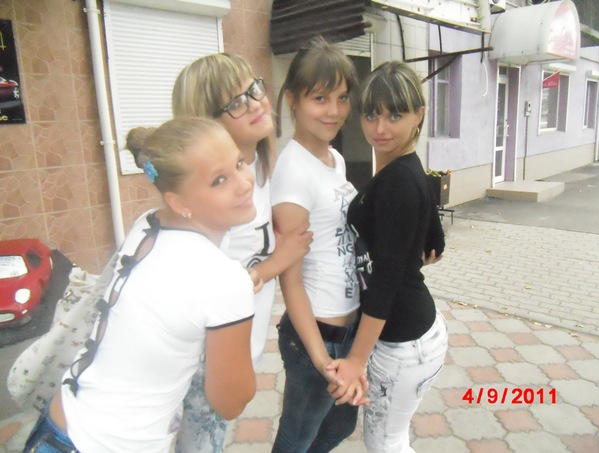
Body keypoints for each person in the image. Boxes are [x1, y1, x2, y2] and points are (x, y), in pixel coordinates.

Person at [22, 117, 257, 453]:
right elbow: (231, 402)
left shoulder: (147, 224)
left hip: (57, 426)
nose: (244, 183)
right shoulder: (226, 281)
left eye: (239, 163)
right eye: (219, 180)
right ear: (179, 202)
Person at [171, 53, 312, 453]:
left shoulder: (260, 169)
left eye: (254, 88)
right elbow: (203, 293)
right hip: (203, 362)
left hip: (237, 351)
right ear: (206, 124)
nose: (255, 102)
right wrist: (277, 262)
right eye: (235, 102)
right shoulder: (214, 201)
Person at [328, 61, 448, 453]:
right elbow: (435, 243)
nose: (380, 128)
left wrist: (355, 361)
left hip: (403, 343)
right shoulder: (406, 168)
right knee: (390, 441)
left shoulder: (400, 181)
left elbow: (385, 285)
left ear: (419, 115)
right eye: (371, 115)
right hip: (414, 333)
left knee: (385, 444)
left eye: (395, 116)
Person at [269, 36, 362, 453]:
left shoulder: (334, 159)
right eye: (320, 98)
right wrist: (321, 358)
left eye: (342, 98)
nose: (334, 111)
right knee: (296, 440)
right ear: (293, 100)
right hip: (317, 338)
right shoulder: (293, 173)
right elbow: (289, 281)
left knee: (339, 425)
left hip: (347, 329)